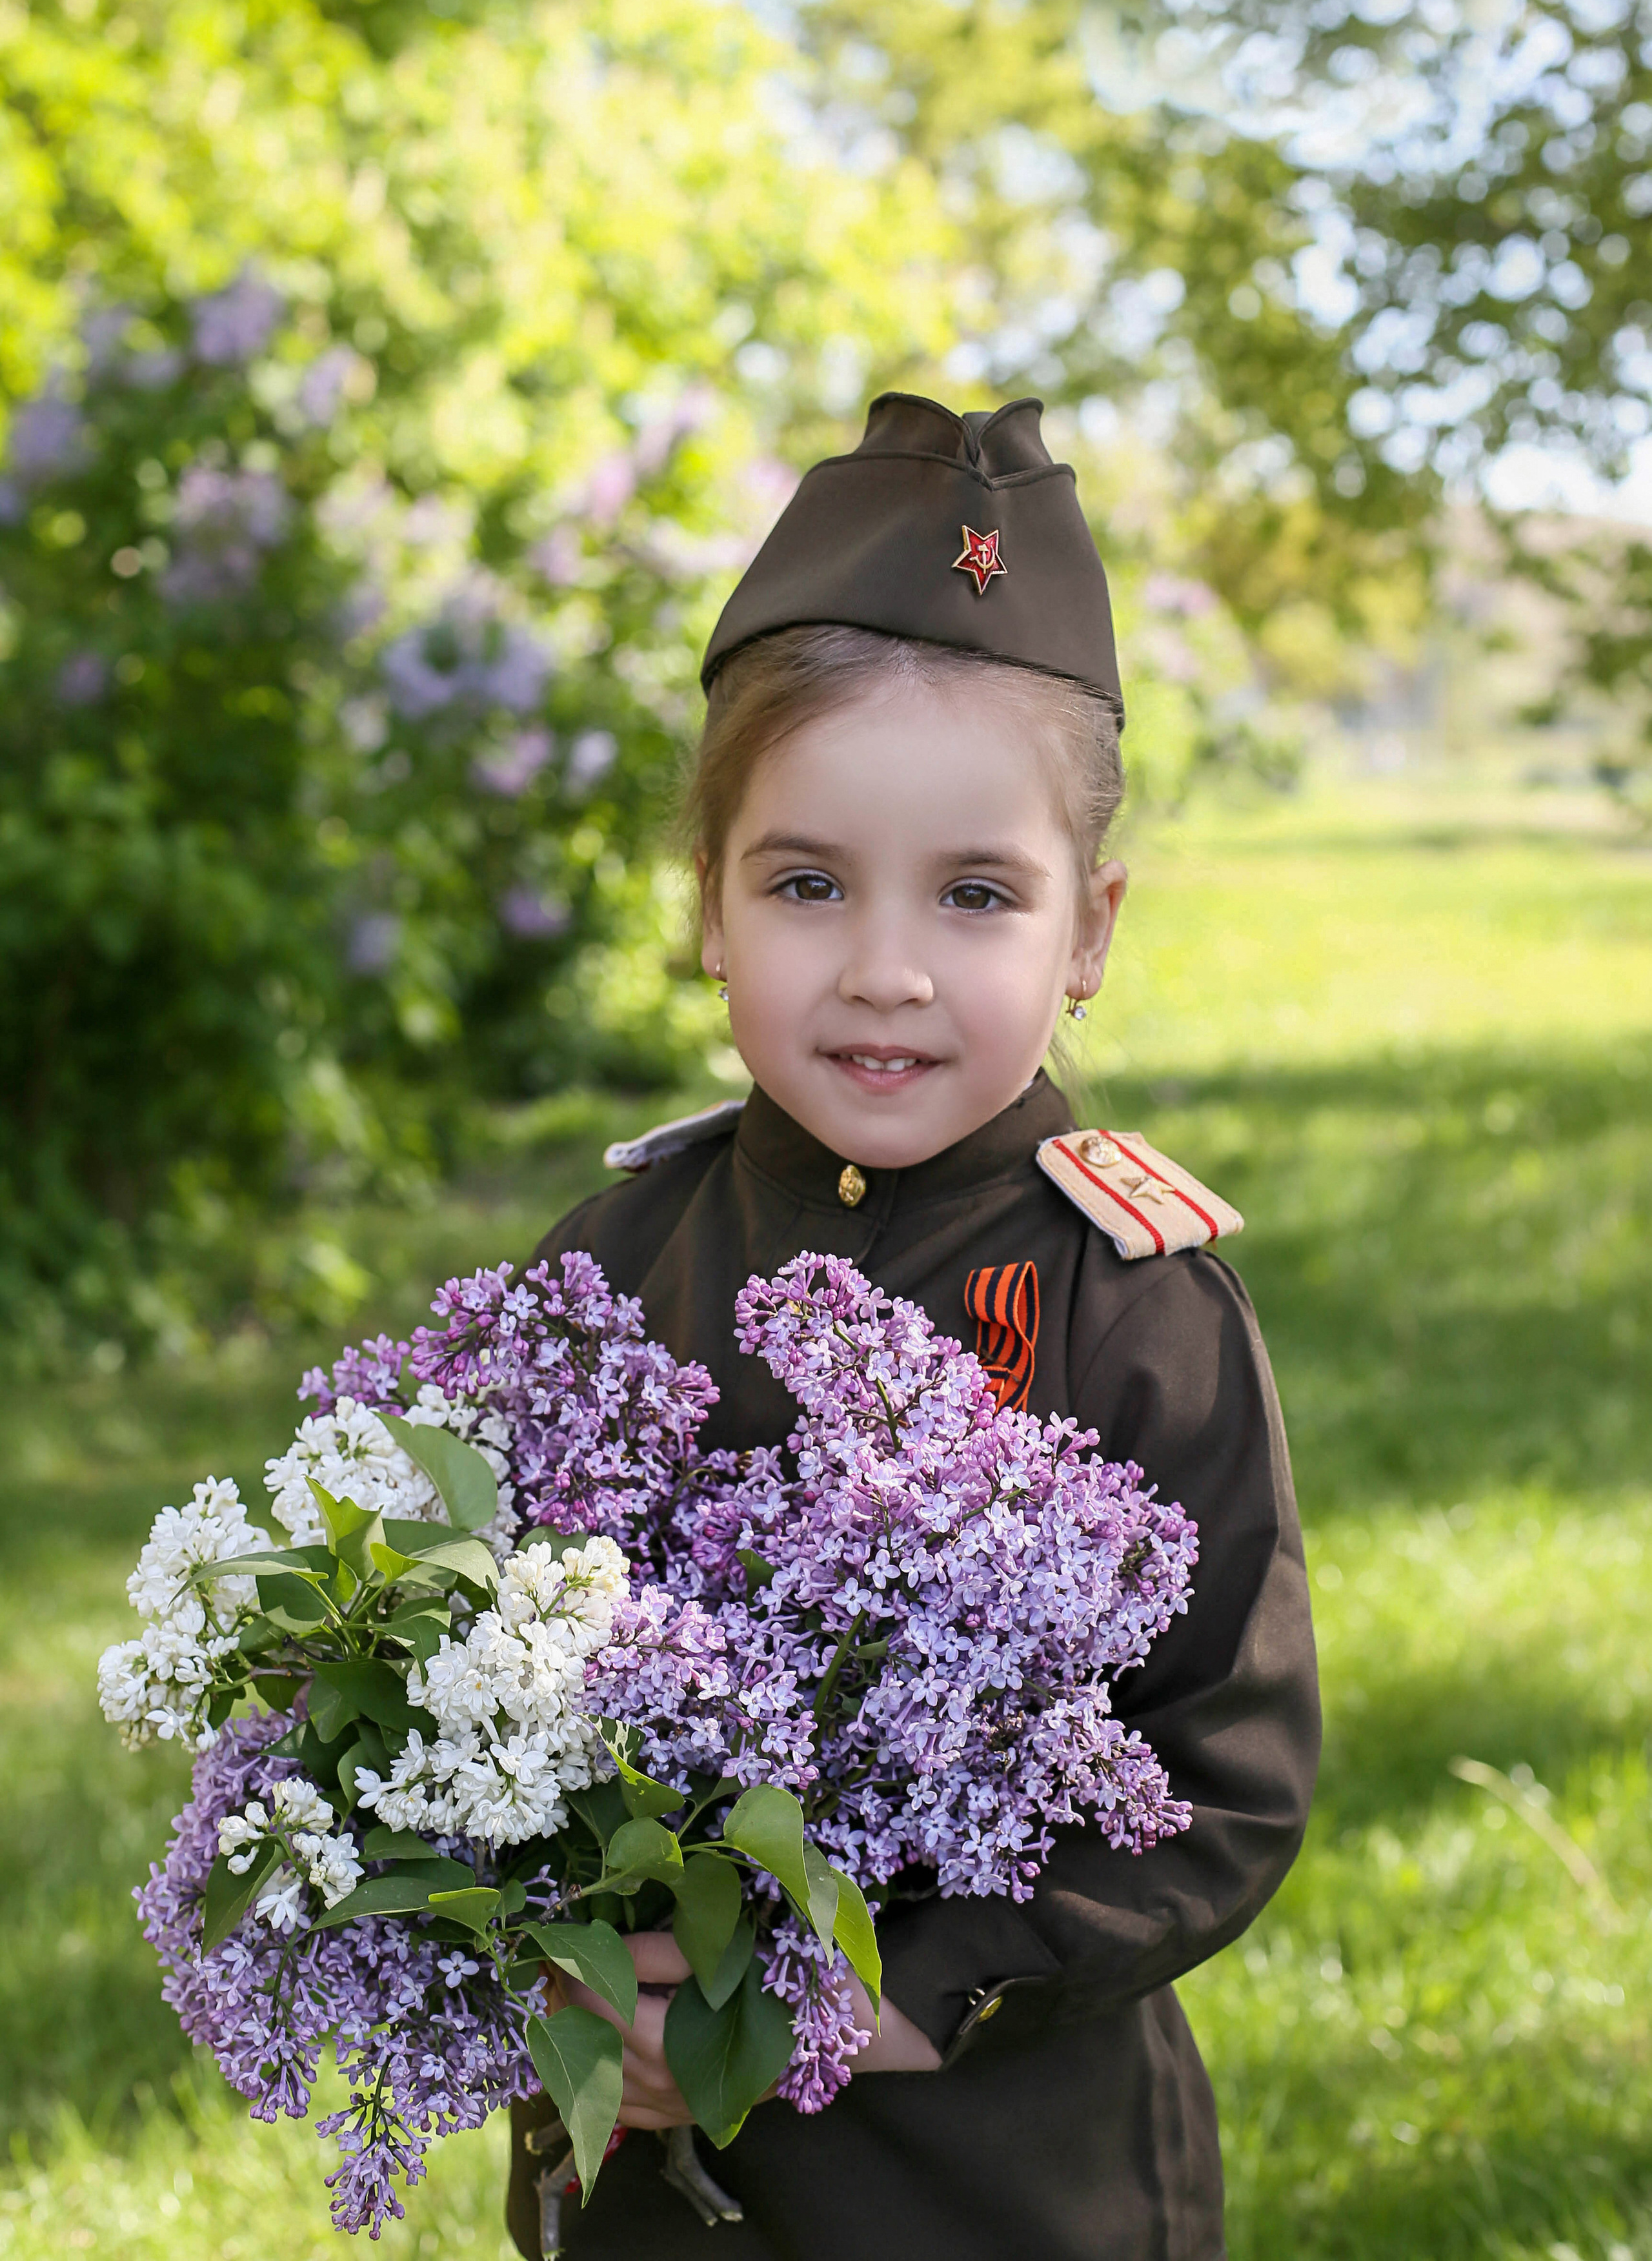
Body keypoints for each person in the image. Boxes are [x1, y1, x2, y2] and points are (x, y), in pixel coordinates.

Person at [506, 392, 1320, 2260]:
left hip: (994, 2175)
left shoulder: (1135, 1305)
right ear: (709, 907)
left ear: (1089, 929)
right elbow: (481, 1695)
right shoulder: (611, 1263)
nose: (885, 967)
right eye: (806, 884)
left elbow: (1225, 1779)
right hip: (635, 2180)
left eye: (976, 895)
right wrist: (551, 1967)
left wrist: (885, 1993)